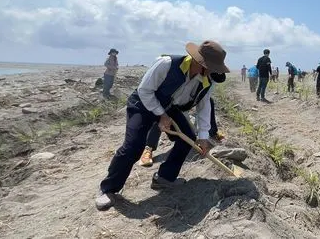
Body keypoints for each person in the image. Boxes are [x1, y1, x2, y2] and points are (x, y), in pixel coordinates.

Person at [95, 40, 230, 211]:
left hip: (169, 107)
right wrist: (161, 115)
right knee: (133, 146)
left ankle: (164, 178)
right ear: (199, 62)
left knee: (188, 139)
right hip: (143, 104)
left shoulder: (206, 82)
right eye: (211, 67)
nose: (213, 72)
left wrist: (203, 137)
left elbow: (204, 108)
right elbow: (144, 90)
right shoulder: (166, 64)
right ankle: (108, 189)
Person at [139, 73, 227, 167]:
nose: (210, 80)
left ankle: (213, 132)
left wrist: (202, 136)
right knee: (161, 117)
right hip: (169, 102)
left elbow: (203, 106)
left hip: (183, 106)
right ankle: (148, 149)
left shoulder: (210, 82)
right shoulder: (188, 75)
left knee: (209, 102)